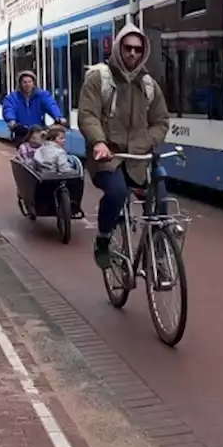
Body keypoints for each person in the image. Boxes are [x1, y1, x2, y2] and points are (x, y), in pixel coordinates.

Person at [77, 23, 169, 270]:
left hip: (139, 156)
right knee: (117, 192)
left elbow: (161, 121)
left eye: (138, 50)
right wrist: (98, 142)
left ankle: (159, 255)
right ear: (118, 47)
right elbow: (87, 115)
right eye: (127, 48)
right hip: (109, 156)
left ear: (144, 52)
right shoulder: (99, 78)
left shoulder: (148, 85)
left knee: (162, 199)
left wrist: (146, 142)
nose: (132, 54)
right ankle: (104, 238)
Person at [3, 70, 64, 142]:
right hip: (22, 133)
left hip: (39, 132)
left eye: (29, 82)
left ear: (33, 83)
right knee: (24, 150)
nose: (27, 84)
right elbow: (9, 109)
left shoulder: (42, 95)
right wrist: (12, 121)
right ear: (20, 84)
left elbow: (51, 105)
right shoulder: (12, 97)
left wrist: (58, 116)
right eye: (24, 82)